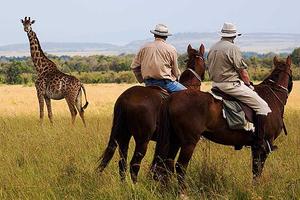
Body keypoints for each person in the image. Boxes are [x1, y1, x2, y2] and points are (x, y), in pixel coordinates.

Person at [207, 22, 272, 151]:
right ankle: (259, 143)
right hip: (230, 86)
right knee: (262, 106)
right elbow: (242, 71)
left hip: (215, 85)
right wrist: (248, 84)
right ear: (234, 36)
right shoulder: (233, 48)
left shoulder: (213, 47)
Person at [130, 24, 186, 92]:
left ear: (154, 35)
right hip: (166, 84)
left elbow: (134, 66)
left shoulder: (144, 47)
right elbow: (175, 71)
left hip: (148, 83)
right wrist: (177, 76)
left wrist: (141, 80)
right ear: (166, 36)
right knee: (188, 94)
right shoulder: (171, 49)